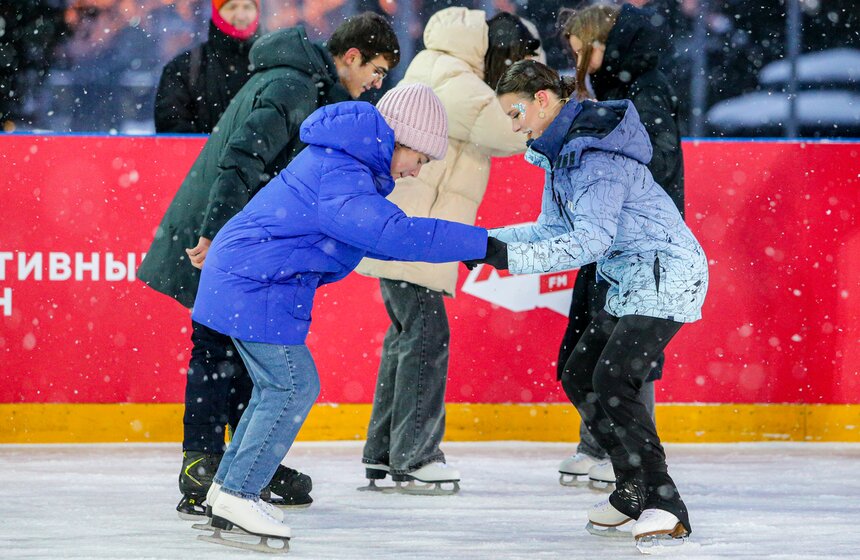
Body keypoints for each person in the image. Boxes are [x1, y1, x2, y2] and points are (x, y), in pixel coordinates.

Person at [191, 84, 490, 552]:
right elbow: (393, 233)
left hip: (250, 280)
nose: (416, 171)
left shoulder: (347, 163)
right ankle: (237, 494)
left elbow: (372, 235)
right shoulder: (342, 171)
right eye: (421, 159)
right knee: (292, 386)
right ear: (401, 139)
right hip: (254, 284)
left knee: (279, 387)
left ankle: (226, 492)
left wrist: (467, 246)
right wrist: (481, 244)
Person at [137, 12, 400, 518]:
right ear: (351, 58)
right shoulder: (293, 83)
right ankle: (203, 466)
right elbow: (242, 159)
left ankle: (245, 460)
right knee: (216, 347)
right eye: (378, 70)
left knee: (241, 347)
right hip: (218, 228)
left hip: (236, 229)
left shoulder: (309, 85)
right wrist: (213, 233)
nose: (376, 83)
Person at [472, 59, 707, 548]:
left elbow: (590, 242)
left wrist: (507, 257)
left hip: (667, 272)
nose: (514, 128)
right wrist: (483, 241)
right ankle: (631, 488)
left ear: (541, 99)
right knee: (579, 372)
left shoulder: (594, 155)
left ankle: (665, 501)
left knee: (613, 378)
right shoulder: (563, 157)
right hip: (630, 278)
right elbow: (552, 230)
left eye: (516, 114)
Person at [355, 7, 538, 494]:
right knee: (425, 339)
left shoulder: (444, 67)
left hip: (410, 229)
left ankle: (384, 451)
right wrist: (540, 93)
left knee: (407, 338)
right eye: (517, 59)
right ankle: (415, 455)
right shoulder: (454, 78)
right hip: (415, 231)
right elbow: (509, 132)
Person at [554, 1, 687, 489]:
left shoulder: (643, 96)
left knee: (622, 361)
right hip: (617, 243)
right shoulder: (622, 92)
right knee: (588, 357)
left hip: (640, 249)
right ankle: (607, 447)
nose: (577, 61)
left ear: (605, 47)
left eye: (580, 51)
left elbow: (652, 169)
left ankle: (634, 463)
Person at [153, 0, 260, 134]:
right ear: (216, 12)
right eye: (231, 7)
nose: (240, 15)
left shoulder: (273, 64)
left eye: (247, 7)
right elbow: (173, 132)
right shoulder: (183, 68)